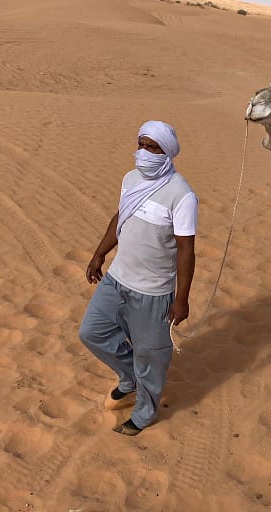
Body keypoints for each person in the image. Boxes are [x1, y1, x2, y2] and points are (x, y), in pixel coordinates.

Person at [79, 120, 198, 436]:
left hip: (153, 292)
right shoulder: (130, 179)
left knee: (152, 356)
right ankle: (129, 377)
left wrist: (182, 298)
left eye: (153, 147)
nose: (144, 153)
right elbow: (121, 216)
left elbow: (187, 250)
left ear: (167, 153)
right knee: (91, 332)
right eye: (142, 145)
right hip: (116, 280)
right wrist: (99, 253)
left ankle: (144, 414)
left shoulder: (181, 195)